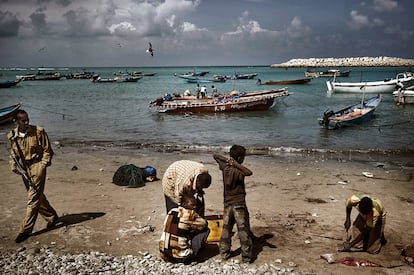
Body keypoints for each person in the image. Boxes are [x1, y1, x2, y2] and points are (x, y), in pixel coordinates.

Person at [7, 109, 59, 243]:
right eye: (23, 120)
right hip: (24, 169)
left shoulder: (38, 132)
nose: (27, 122)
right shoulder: (12, 136)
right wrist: (13, 165)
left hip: (37, 167)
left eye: (27, 119)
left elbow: (48, 150)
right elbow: (13, 154)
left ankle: (25, 230)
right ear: (17, 122)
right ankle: (52, 217)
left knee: (33, 199)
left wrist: (43, 165)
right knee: (37, 195)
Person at [213, 145, 254, 263]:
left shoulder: (225, 167)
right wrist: (236, 164)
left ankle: (224, 253)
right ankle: (246, 257)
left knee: (226, 229)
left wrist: (228, 161)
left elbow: (215, 156)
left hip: (227, 204)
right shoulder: (239, 170)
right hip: (239, 204)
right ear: (240, 158)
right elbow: (249, 172)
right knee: (243, 230)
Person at [159, 194, 210, 263]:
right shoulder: (190, 214)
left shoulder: (172, 211)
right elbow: (204, 224)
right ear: (184, 204)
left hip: (164, 252)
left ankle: (174, 251)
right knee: (206, 230)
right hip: (181, 256)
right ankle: (191, 255)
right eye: (192, 205)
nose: (195, 207)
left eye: (195, 205)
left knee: (178, 230)